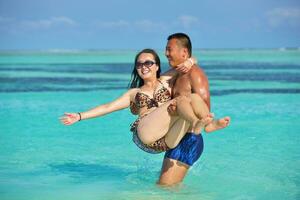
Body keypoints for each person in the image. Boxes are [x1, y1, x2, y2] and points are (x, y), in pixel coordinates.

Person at [60, 49, 217, 153]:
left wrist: (190, 61)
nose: (143, 66)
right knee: (181, 100)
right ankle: (197, 123)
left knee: (193, 97)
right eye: (139, 64)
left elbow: (190, 62)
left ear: (156, 66)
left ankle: (209, 126)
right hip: (147, 135)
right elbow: (108, 107)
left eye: (148, 63)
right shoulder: (134, 93)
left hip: (168, 140)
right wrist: (79, 116)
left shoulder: (166, 79)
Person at [151, 33, 231, 185]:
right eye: (166, 49)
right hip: (179, 139)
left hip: (189, 139)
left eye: (169, 49)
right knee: (167, 188)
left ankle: (210, 127)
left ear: (184, 52)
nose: (166, 53)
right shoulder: (177, 74)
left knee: (165, 190)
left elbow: (204, 108)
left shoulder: (195, 75)